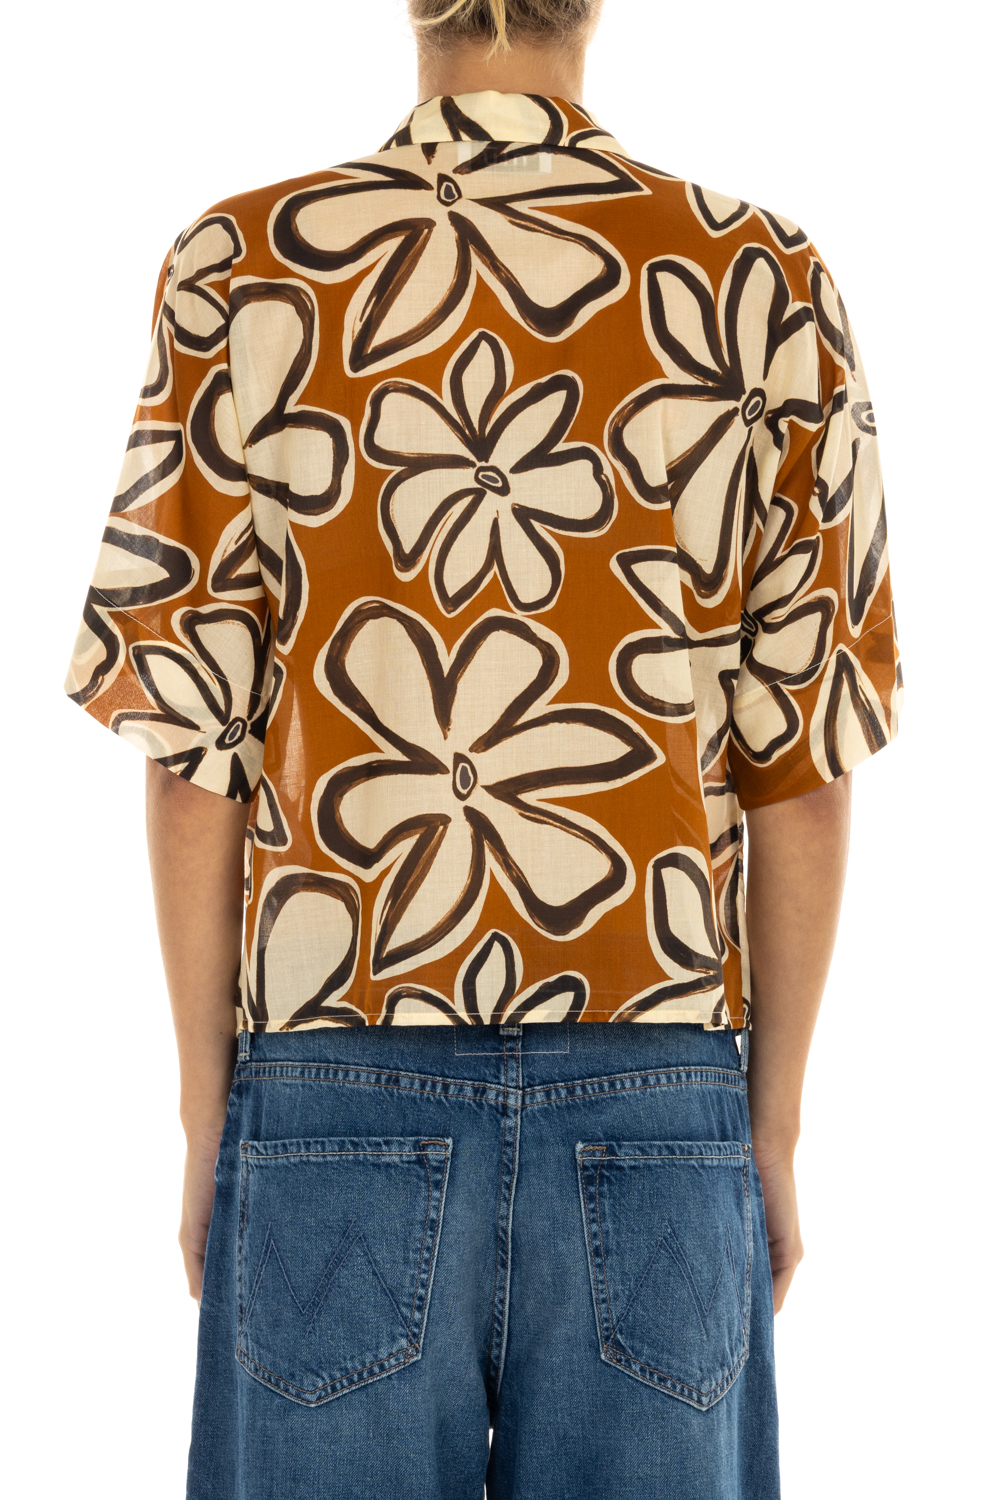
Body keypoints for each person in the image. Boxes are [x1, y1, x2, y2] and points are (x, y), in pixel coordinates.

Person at [64, 0, 901, 1494]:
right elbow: (806, 771)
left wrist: (211, 1116)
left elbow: (193, 755)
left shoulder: (245, 267)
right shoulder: (759, 276)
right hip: (661, 1086)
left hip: (331, 1073)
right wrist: (767, 1127)